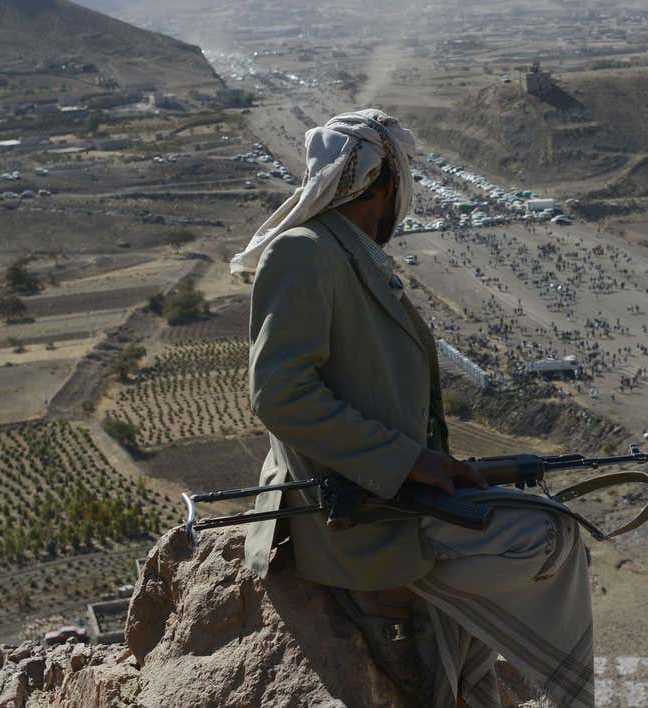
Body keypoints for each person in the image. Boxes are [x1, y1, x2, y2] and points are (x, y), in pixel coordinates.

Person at [233, 109, 594, 708]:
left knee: (528, 534)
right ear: (384, 183)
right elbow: (280, 395)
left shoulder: (345, 254)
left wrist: (427, 465)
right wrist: (407, 462)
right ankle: (568, 694)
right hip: (356, 513)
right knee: (548, 535)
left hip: (393, 492)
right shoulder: (304, 253)